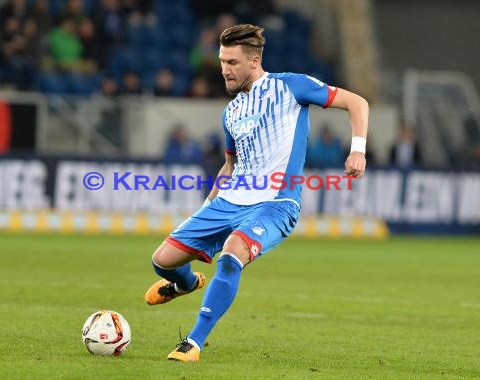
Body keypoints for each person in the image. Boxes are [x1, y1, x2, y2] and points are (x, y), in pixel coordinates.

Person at [144, 24, 368, 362]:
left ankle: (193, 342)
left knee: (232, 254)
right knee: (162, 261)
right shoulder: (230, 112)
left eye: (232, 62)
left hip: (276, 203)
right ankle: (185, 284)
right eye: (222, 61)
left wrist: (358, 149)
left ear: (254, 60)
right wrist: (206, 207)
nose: (224, 69)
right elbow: (229, 168)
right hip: (231, 200)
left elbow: (357, 102)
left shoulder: (292, 86)